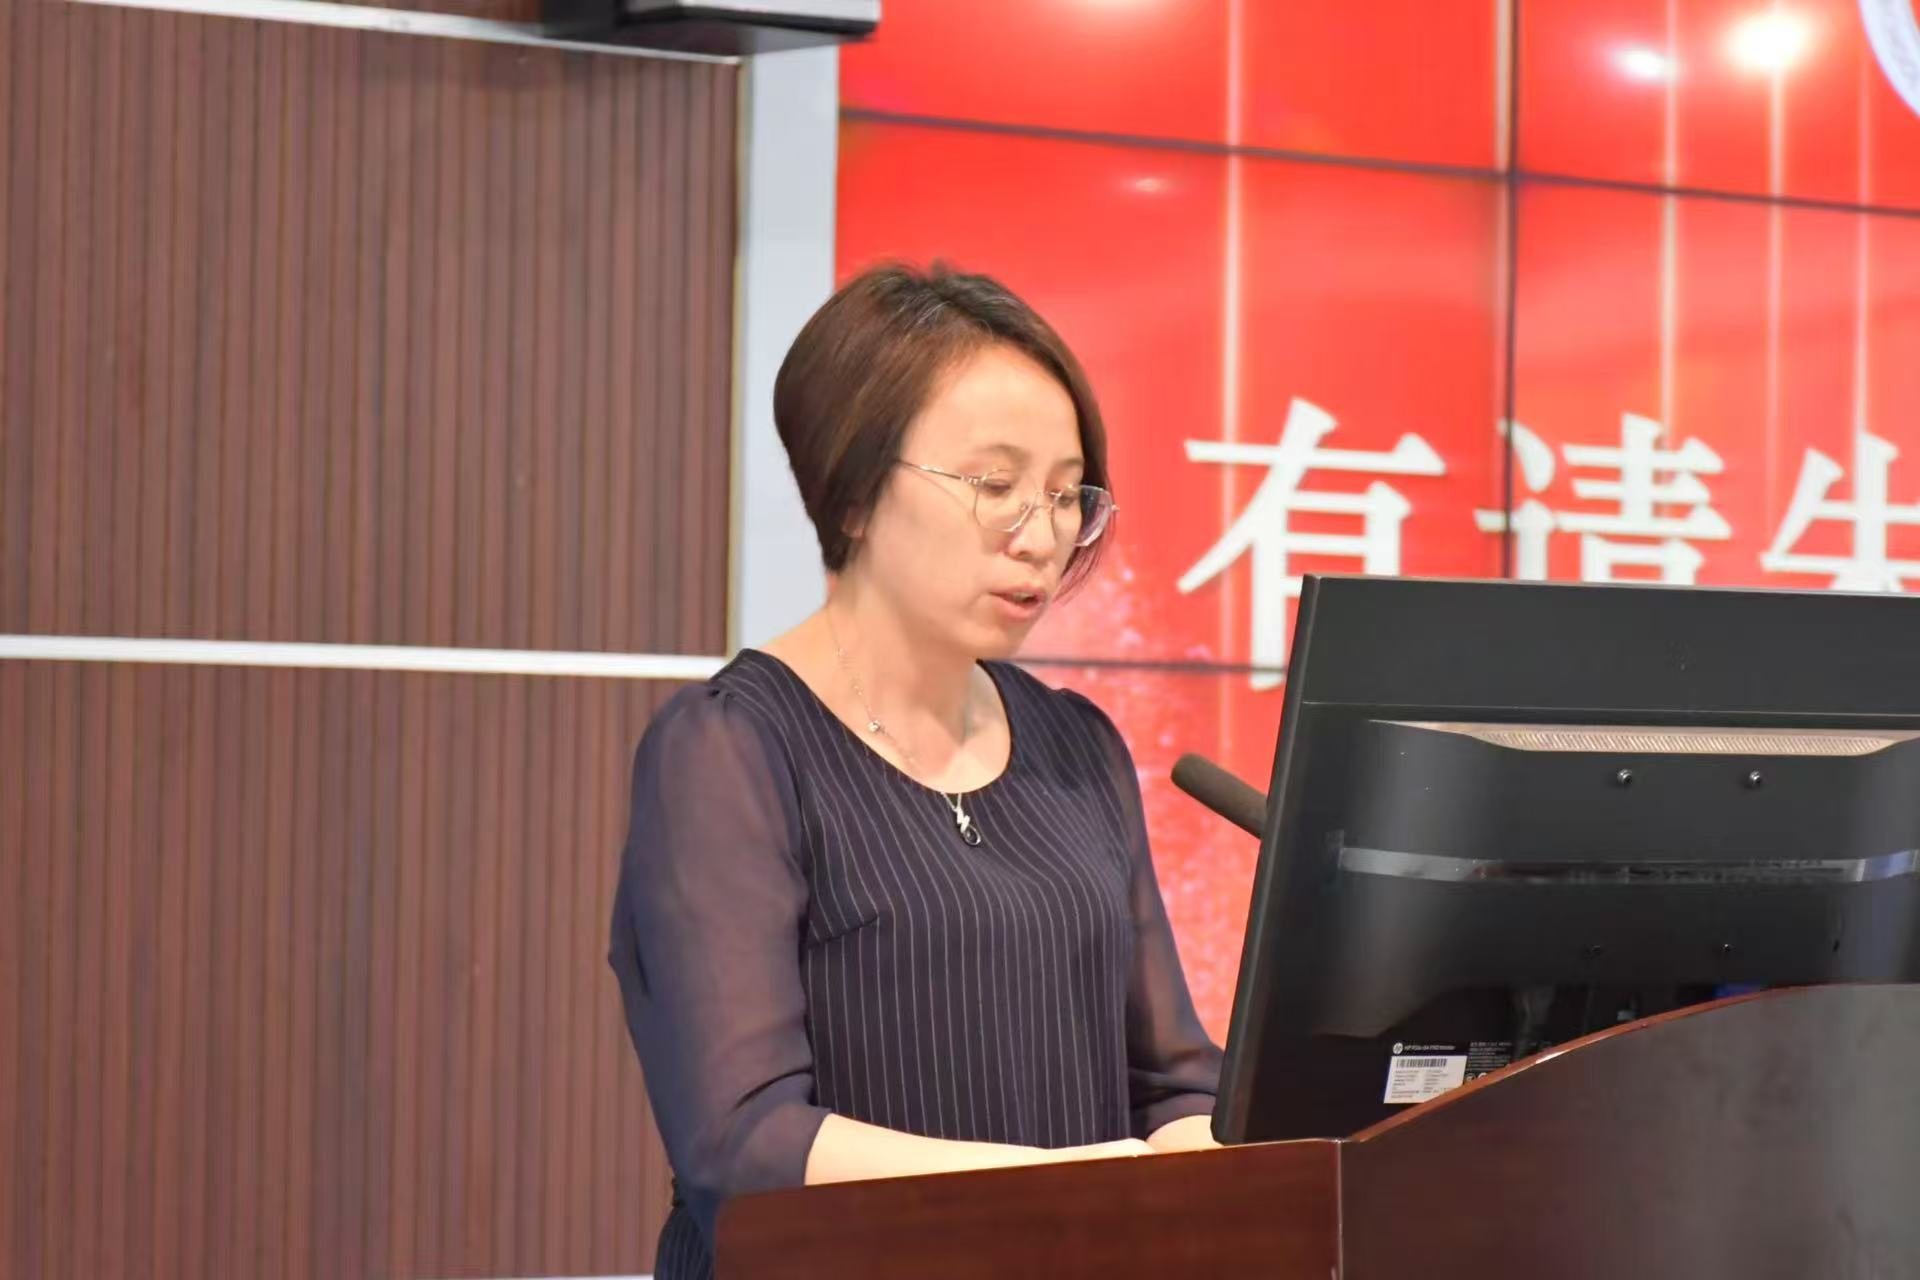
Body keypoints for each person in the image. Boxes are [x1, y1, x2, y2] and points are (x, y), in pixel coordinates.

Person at [607, 262, 1223, 1279]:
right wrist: (1064, 1187)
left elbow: (1173, 1083)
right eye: (996, 487)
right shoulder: (729, 751)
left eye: (1066, 495)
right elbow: (745, 1144)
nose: (1042, 535)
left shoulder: (1078, 744)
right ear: (854, 493)